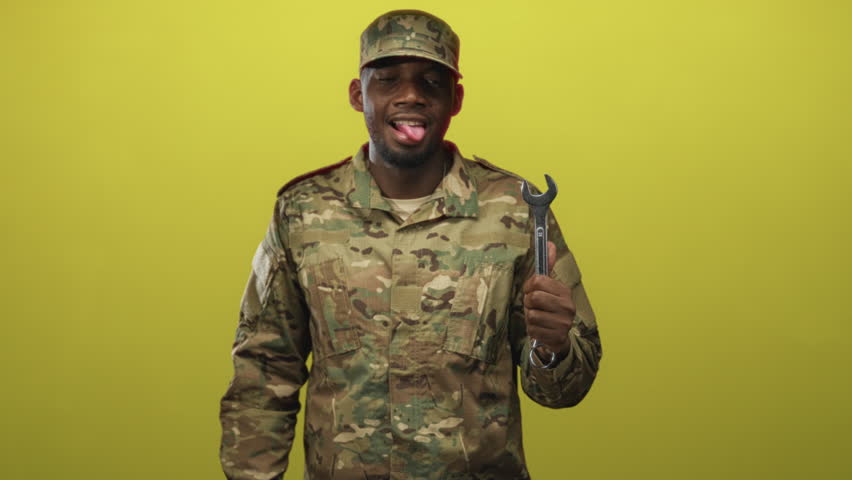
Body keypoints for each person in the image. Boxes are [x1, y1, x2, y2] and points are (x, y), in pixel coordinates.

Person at [220, 9, 602, 480]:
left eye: (431, 83)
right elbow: (263, 372)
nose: (410, 97)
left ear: (455, 99)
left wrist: (553, 348)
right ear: (359, 95)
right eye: (388, 80)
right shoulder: (303, 211)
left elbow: (563, 390)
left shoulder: (517, 210)